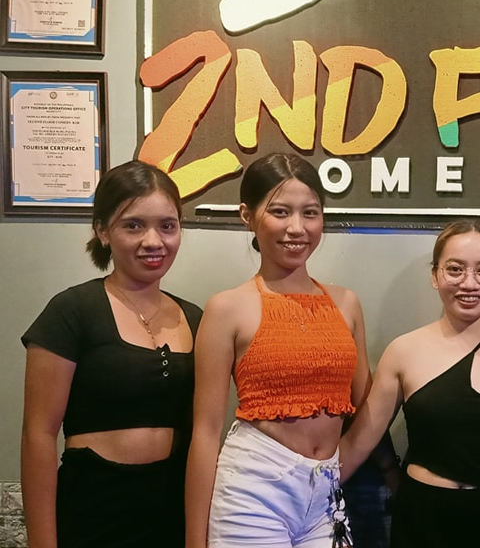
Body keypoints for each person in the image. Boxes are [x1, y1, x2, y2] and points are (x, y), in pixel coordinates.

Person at [185, 153, 370, 548]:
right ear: (247, 216)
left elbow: (363, 401)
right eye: (280, 212)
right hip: (252, 490)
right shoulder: (227, 308)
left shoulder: (347, 303)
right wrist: (194, 540)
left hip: (325, 497)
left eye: (311, 213)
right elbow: (204, 432)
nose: (297, 228)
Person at [20, 160, 202, 548]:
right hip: (94, 509)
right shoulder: (72, 311)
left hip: (174, 509)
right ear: (102, 230)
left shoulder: (196, 318)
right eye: (133, 224)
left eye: (167, 225)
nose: (153, 241)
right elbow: (39, 435)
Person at [340, 220, 480, 548]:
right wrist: (306, 499)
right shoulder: (403, 351)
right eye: (455, 269)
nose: (469, 283)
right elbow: (360, 442)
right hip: (423, 519)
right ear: (435, 275)